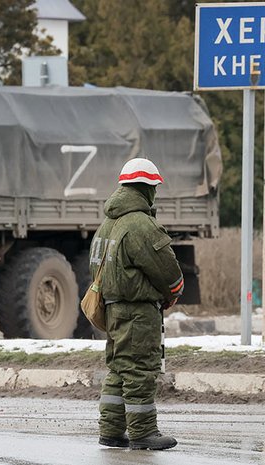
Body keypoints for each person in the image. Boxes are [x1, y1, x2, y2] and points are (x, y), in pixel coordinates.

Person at [89, 157, 184, 451]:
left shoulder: (107, 225)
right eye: (154, 187)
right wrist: (172, 293)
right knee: (140, 369)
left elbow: (95, 267)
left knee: (119, 368)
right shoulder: (141, 225)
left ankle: (111, 432)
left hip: (113, 309)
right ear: (146, 189)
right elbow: (168, 272)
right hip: (138, 312)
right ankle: (143, 432)